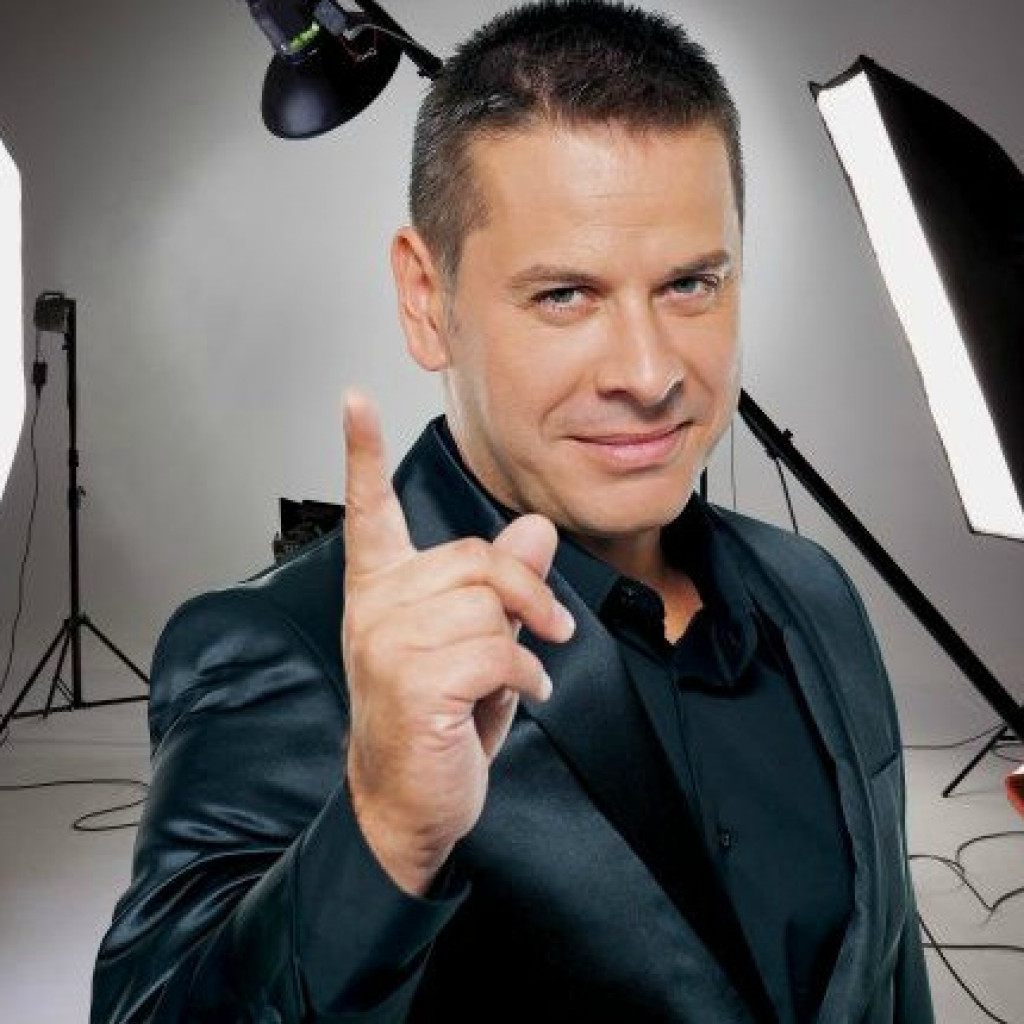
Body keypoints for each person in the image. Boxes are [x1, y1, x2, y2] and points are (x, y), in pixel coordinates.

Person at [90, 2, 935, 1022]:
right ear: (425, 298)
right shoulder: (288, 652)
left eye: (689, 283)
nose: (648, 373)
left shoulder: (814, 591)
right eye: (564, 295)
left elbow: (889, 976)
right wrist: (383, 833)